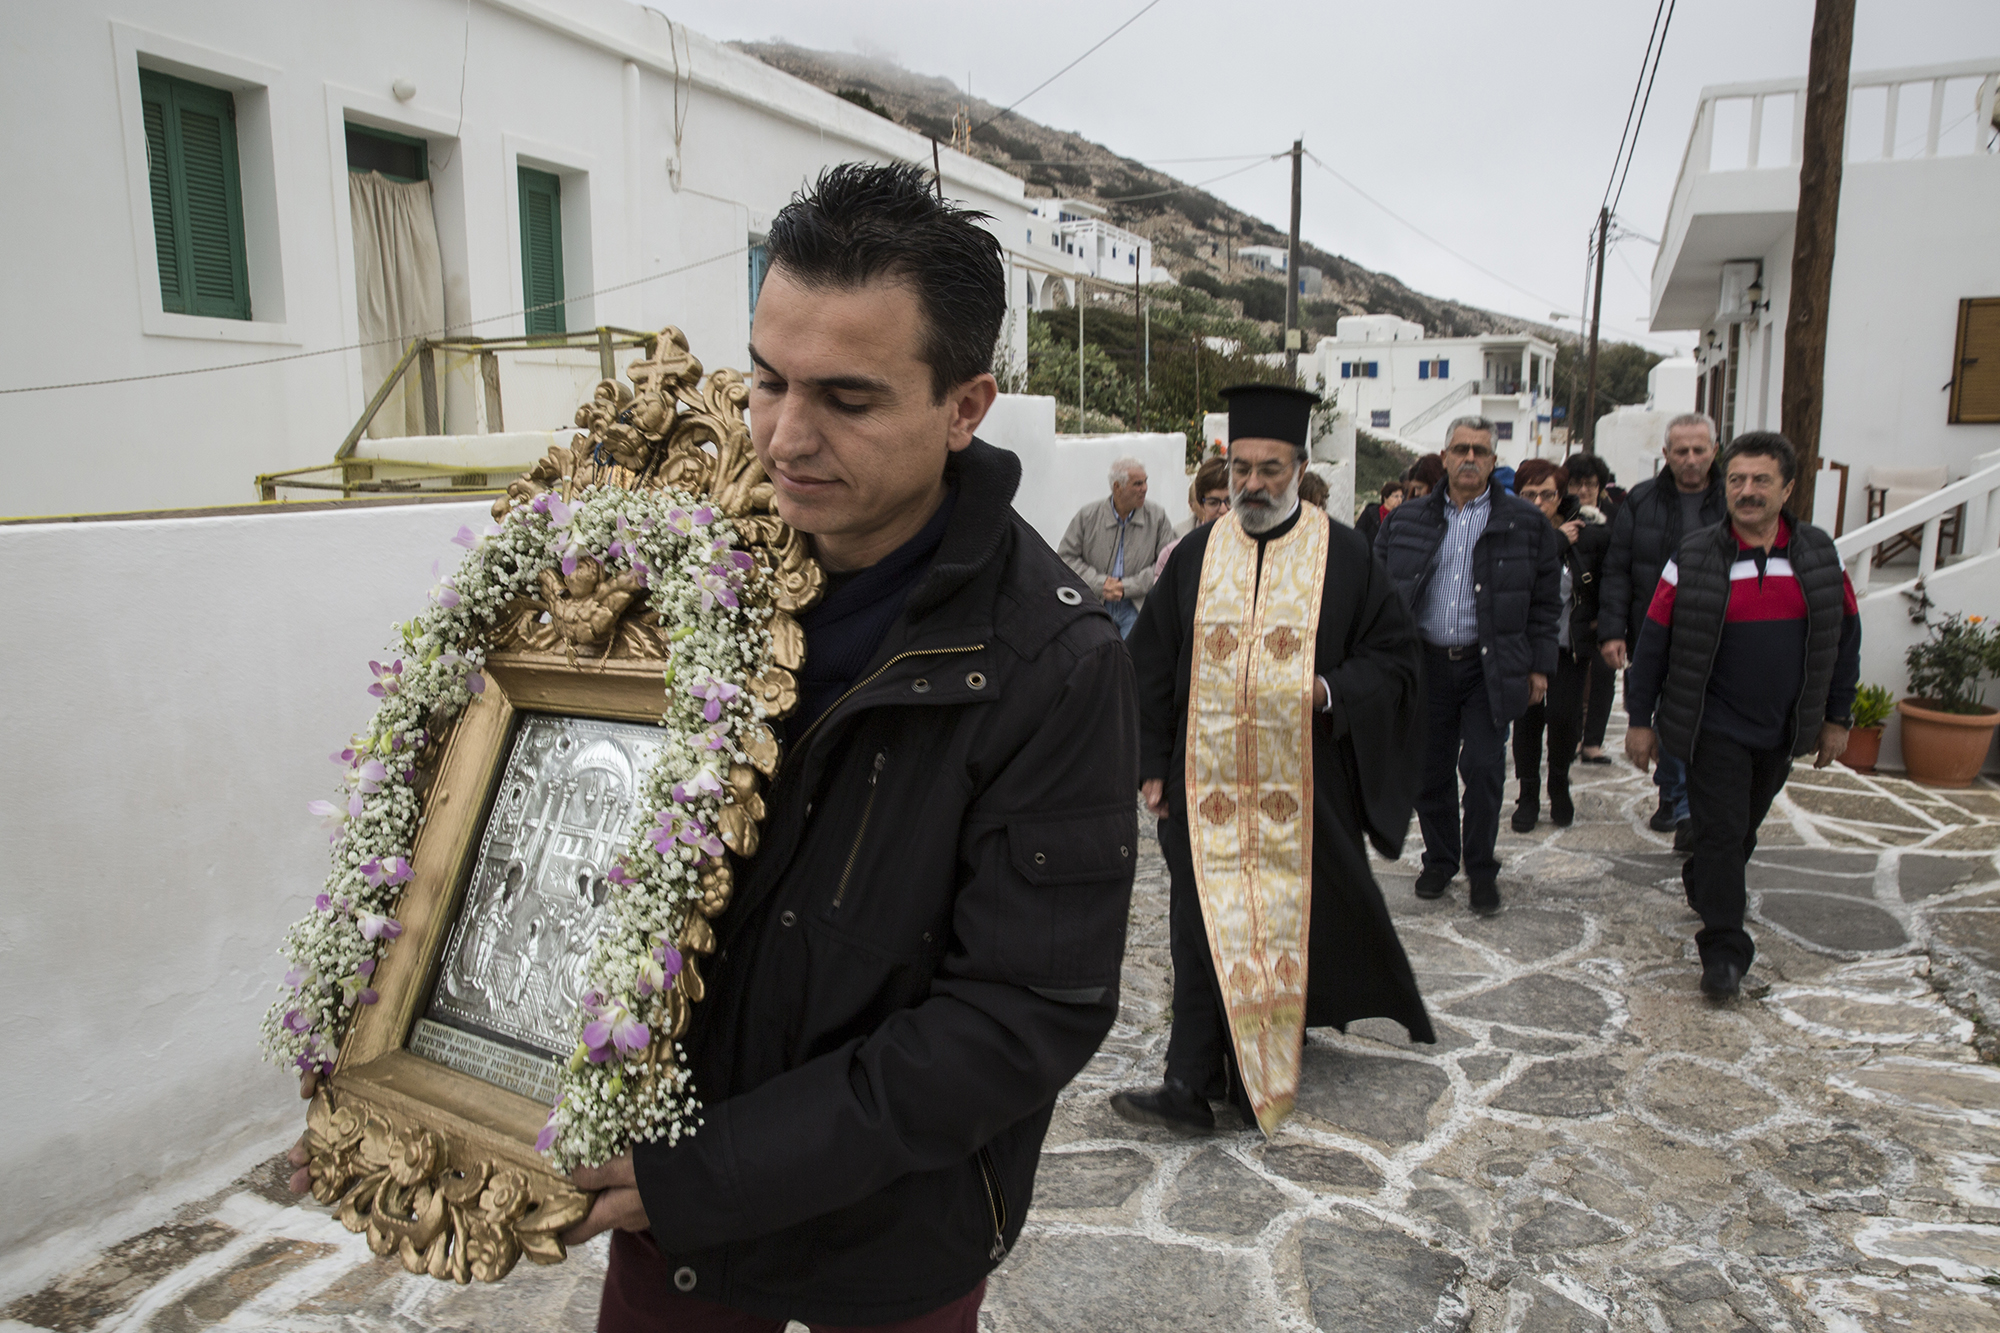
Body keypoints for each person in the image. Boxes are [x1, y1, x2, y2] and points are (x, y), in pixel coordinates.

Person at [292, 162, 1142, 1332]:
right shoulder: (674, 573)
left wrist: (710, 1173)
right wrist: (396, 1037)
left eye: (846, 398)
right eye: (767, 379)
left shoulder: (1052, 660)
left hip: (887, 1243)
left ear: (964, 406)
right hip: (678, 1242)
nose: (785, 436)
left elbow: (1018, 1015)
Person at [1111, 383, 1433, 1134]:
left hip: (1305, 787)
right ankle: (1190, 1083)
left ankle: (1242, 1062)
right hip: (1200, 784)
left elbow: (1396, 659)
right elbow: (1149, 663)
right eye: (1240, 469)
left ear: (1300, 468)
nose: (1251, 485)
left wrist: (1326, 689)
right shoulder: (1197, 554)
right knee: (1200, 925)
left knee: (1282, 924)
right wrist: (1150, 763)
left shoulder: (1344, 554)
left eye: (1269, 469)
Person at [1624, 432, 1860, 999]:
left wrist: (1838, 717)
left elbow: (1845, 638)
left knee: (1738, 831)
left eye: (1760, 480)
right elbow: (1653, 642)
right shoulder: (1693, 556)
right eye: (1736, 480)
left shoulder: (1819, 555)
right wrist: (1640, 718)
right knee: (1725, 833)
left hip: (1781, 727)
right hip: (1714, 726)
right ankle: (1725, 953)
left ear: (1787, 489)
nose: (1747, 491)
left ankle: (1703, 875)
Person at [1376, 418, 1562, 915]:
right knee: (1429, 771)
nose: (1470, 458)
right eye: (1461, 449)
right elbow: (1376, 593)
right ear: (1445, 456)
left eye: (1480, 451)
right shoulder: (1406, 520)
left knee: (1482, 768)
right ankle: (1440, 859)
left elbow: (1546, 602)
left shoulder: (1525, 523)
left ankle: (1481, 868)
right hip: (1426, 666)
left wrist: (1539, 667)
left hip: (1489, 666)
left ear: (1494, 461)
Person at [1598, 414, 1726, 852]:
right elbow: (1617, 569)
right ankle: (1675, 796)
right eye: (1681, 451)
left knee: (1702, 719)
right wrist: (1612, 631)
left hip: (1716, 630)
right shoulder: (1641, 500)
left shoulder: (1732, 499)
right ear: (1666, 454)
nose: (1690, 459)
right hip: (1652, 629)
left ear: (1714, 450)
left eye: (1699, 450)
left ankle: (1686, 806)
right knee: (1665, 718)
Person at [1508, 461, 1610, 831]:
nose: (1538, 502)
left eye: (1547, 494)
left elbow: (1607, 579)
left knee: (1565, 718)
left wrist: (1602, 622)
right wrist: (1557, 541)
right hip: (1524, 643)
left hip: (1569, 643)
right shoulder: (1511, 530)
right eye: (1529, 494)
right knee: (1527, 719)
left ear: (1560, 495)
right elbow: (1517, 573)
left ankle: (1559, 782)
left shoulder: (1587, 532)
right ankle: (1528, 793)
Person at [1059, 457, 1173, 638]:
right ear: (1117, 487)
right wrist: (1101, 584)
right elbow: (1065, 558)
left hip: (1137, 605)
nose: (1145, 488)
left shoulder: (1157, 517)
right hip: (1094, 603)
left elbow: (1167, 564)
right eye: (1137, 484)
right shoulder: (1088, 516)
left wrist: (1127, 587)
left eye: (1145, 481)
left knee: (1133, 654)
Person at [1561, 453, 1619, 763]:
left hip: (1604, 610)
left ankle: (1593, 741)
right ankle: (1569, 739)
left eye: (1590, 484)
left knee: (1604, 677)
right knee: (1571, 681)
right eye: (1576, 484)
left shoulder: (1615, 518)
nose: (1583, 490)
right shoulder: (1561, 518)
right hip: (1571, 613)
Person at [1155, 456, 1230, 580]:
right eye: (1213, 502)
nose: (1223, 510)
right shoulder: (1174, 554)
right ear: (1201, 505)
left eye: (1230, 501)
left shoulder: (1255, 551)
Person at [1354, 479, 1403, 550]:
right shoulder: (1371, 512)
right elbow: (1359, 532)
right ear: (1385, 497)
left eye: (1401, 497)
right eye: (1396, 496)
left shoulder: (1401, 515)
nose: (1399, 500)